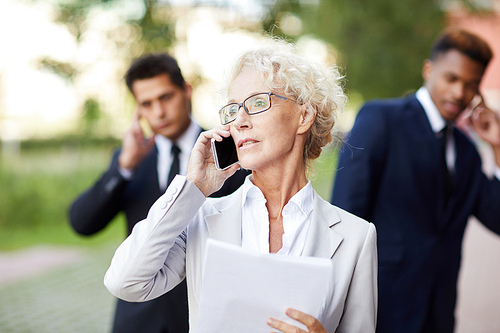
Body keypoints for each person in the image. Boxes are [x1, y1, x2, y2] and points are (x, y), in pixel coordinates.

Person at [104, 39, 378, 332]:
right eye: (233, 109)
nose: (240, 121)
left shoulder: (356, 237)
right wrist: (194, 187)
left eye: (258, 102)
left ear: (304, 116)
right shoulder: (201, 218)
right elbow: (125, 282)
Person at [331, 28, 500, 333]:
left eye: (471, 85)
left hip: (438, 314)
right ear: (428, 70)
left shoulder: (467, 152)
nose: (459, 93)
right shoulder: (380, 119)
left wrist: (498, 146)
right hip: (379, 306)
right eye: (452, 79)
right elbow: (344, 216)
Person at [69, 53, 248, 333]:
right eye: (146, 104)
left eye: (166, 97)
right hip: (137, 319)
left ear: (186, 91)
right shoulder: (130, 161)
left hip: (202, 315)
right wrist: (124, 166)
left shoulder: (230, 153)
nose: (159, 112)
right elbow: (82, 223)